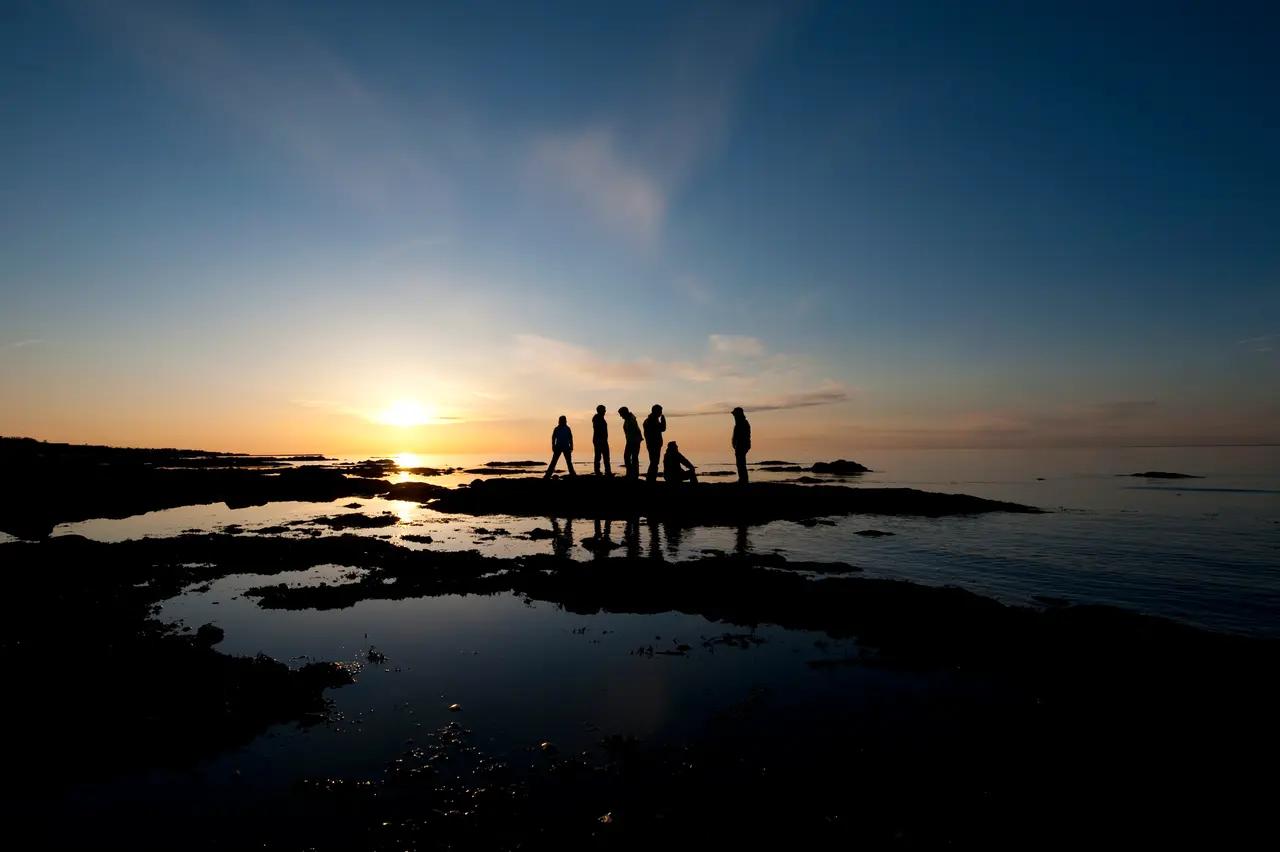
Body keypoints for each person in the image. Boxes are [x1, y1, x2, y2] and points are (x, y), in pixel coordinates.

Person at [643, 404, 666, 482]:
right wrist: (663, 420)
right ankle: (651, 479)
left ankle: (650, 479)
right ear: (656, 411)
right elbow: (663, 428)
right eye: (660, 411)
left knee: (653, 462)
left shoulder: (649, 420)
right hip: (654, 444)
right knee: (654, 462)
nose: (661, 413)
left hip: (651, 444)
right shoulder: (652, 420)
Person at [619, 406, 642, 479]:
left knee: (631, 457)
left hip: (633, 441)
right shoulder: (628, 419)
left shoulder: (631, 419)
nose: (620, 416)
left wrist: (633, 440)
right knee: (630, 457)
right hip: (631, 440)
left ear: (624, 413)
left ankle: (633, 474)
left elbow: (634, 431)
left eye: (621, 414)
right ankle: (632, 474)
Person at [731, 406, 751, 484]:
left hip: (742, 445)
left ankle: (743, 480)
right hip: (740, 445)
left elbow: (743, 436)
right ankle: (742, 479)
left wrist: (737, 443)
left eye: (735, 414)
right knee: (740, 463)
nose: (734, 416)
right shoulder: (740, 422)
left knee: (741, 463)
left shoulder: (743, 423)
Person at [591, 404, 611, 476]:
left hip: (603, 440)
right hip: (599, 440)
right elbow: (598, 429)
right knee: (599, 456)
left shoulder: (600, 418)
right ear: (600, 410)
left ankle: (607, 471)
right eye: (604, 410)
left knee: (605, 457)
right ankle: (598, 471)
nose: (605, 411)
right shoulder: (597, 418)